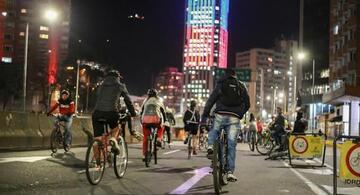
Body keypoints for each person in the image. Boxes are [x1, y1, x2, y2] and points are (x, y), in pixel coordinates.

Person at [201, 68, 250, 182]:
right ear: (235, 75)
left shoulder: (221, 84)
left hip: (220, 114)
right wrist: (240, 114)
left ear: (226, 75)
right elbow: (247, 104)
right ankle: (229, 172)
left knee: (214, 130)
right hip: (234, 117)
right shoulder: (241, 85)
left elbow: (211, 100)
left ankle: (210, 147)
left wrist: (206, 114)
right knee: (231, 144)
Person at [92, 70, 136, 154]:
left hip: (97, 113)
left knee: (98, 138)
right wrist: (133, 113)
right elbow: (128, 101)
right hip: (111, 113)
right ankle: (113, 139)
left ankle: (97, 161)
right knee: (116, 128)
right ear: (117, 78)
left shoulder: (100, 86)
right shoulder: (120, 86)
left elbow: (96, 98)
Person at [140, 89, 167, 161]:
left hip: (145, 120)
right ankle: (158, 138)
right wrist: (166, 120)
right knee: (161, 127)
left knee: (145, 137)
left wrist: (141, 121)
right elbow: (163, 112)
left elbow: (141, 112)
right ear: (156, 95)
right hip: (156, 120)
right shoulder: (159, 101)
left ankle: (144, 155)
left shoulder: (145, 101)